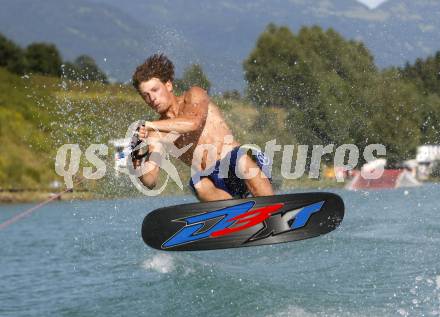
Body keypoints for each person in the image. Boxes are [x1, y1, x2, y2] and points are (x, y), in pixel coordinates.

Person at [131, 53, 273, 202]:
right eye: (145, 95)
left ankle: (272, 209)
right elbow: (150, 181)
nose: (152, 98)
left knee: (240, 159)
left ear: (168, 85)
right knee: (198, 183)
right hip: (217, 183)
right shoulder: (157, 134)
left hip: (245, 164)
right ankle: (236, 218)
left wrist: (150, 125)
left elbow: (193, 123)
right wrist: (136, 159)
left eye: (155, 90)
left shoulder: (194, 95)